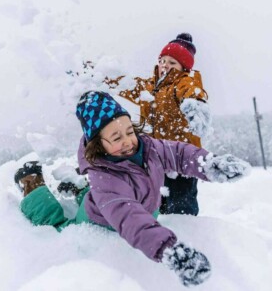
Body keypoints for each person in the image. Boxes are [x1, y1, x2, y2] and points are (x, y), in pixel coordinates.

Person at [74, 91, 250, 286]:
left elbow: (179, 154)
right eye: (116, 138)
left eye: (129, 131)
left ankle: (79, 192)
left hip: (140, 207)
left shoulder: (149, 148)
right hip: (104, 223)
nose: (127, 141)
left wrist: (209, 164)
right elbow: (129, 217)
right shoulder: (104, 178)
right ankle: (36, 188)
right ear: (98, 145)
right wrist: (168, 249)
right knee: (55, 220)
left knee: (89, 195)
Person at [112, 32, 211, 216]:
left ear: (183, 68)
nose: (165, 65)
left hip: (181, 160)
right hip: (155, 159)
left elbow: (192, 92)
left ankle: (186, 236)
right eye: (163, 60)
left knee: (181, 208)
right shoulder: (149, 87)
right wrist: (95, 74)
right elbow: (124, 85)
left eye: (172, 62)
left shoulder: (184, 82)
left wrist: (195, 106)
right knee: (157, 206)